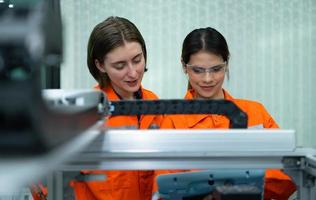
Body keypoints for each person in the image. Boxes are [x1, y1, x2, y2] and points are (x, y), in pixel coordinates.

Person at [153, 27, 296, 200]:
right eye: (198, 70)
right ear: (184, 67)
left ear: (227, 63)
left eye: (216, 69)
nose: (208, 79)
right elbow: (165, 190)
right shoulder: (172, 123)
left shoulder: (255, 113)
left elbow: (287, 175)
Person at [70, 16, 163, 200]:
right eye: (120, 65)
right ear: (100, 65)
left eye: (137, 60)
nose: (133, 72)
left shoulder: (154, 103)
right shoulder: (87, 112)